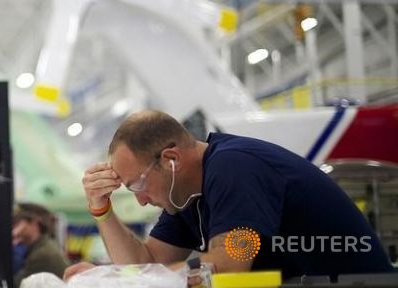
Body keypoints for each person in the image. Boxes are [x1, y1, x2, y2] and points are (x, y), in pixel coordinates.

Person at [65, 110, 392, 281]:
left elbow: (227, 267)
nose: (140, 200)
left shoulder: (235, 168)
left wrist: (114, 278)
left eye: (137, 185)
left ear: (171, 159)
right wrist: (102, 209)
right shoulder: (186, 194)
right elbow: (145, 264)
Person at [12, 202, 69, 287]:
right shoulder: (40, 247)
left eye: (17, 223)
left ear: (34, 223)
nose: (13, 227)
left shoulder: (42, 255)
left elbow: (14, 285)